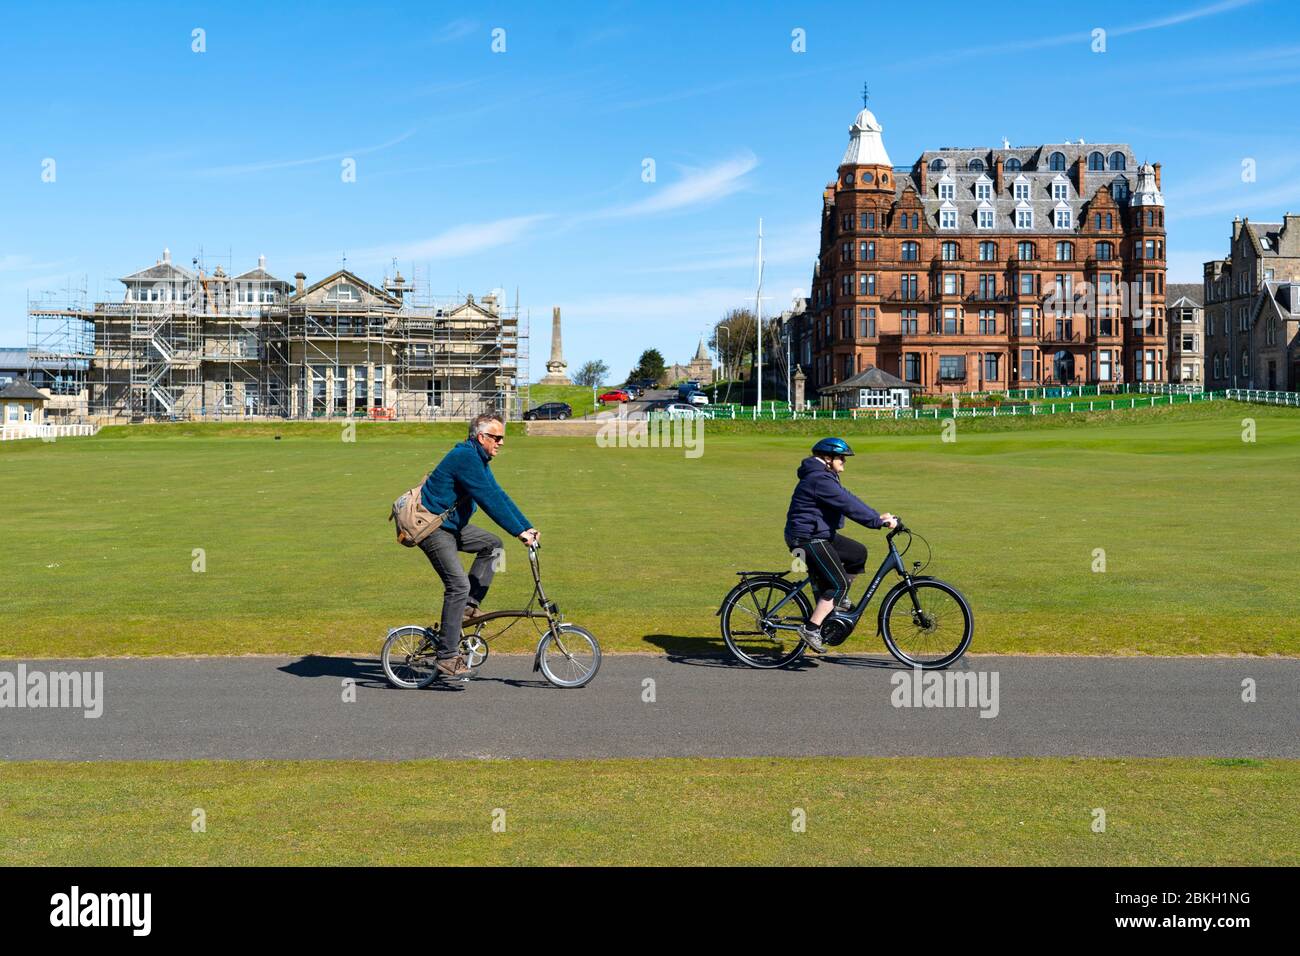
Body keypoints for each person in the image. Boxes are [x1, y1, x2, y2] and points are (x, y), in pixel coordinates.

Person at [418, 413, 539, 677]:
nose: (502, 442)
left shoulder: (478, 458)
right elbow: (487, 500)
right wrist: (519, 532)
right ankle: (447, 657)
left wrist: (526, 526)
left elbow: (498, 494)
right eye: (497, 437)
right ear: (481, 437)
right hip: (433, 529)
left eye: (503, 437)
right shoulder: (465, 457)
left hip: (452, 527)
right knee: (457, 585)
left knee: (492, 545)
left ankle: (468, 607)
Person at [783, 437, 897, 654]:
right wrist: (876, 522)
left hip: (819, 535)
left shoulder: (824, 476)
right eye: (841, 458)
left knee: (857, 553)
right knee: (839, 583)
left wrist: (876, 516)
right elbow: (846, 504)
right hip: (807, 539)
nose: (844, 462)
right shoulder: (820, 479)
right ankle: (811, 628)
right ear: (828, 458)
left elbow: (847, 497)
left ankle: (838, 599)